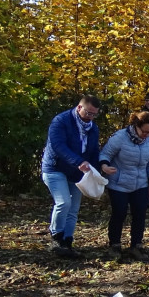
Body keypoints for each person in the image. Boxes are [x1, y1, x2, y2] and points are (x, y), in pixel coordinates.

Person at [41, 95, 107, 259]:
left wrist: (96, 169)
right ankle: (56, 237)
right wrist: (78, 161)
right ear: (79, 107)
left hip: (77, 172)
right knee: (64, 202)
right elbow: (58, 146)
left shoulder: (93, 128)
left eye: (94, 114)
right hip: (55, 168)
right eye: (88, 112)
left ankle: (67, 242)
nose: (90, 117)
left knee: (73, 209)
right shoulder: (61, 121)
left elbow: (93, 151)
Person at [99, 111, 149, 260]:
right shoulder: (120, 137)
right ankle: (115, 246)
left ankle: (136, 245)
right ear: (136, 126)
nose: (147, 134)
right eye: (144, 131)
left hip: (140, 183)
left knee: (140, 214)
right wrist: (104, 166)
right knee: (119, 213)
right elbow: (105, 154)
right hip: (118, 183)